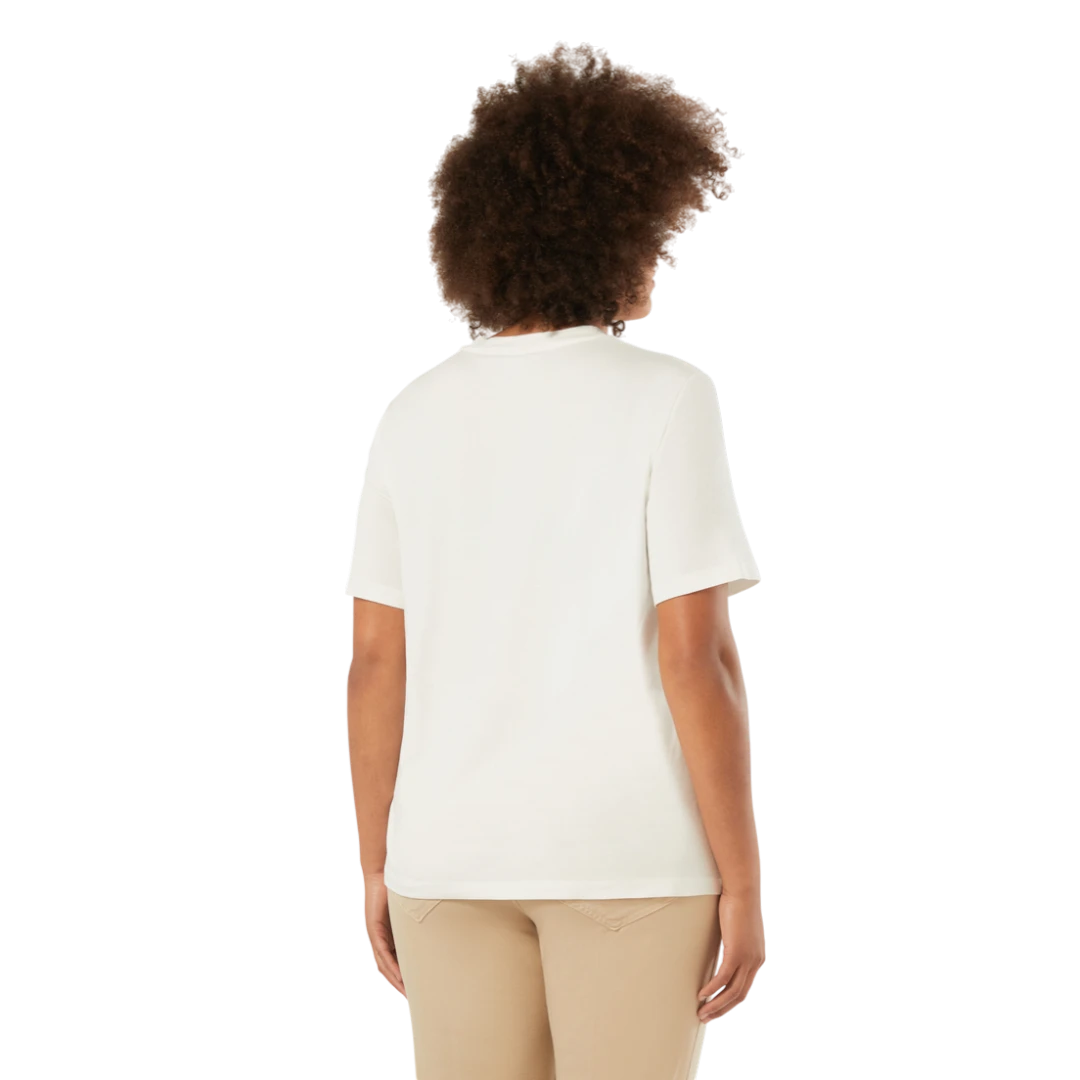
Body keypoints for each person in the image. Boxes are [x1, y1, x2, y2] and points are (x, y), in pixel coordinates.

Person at [345, 41, 766, 1080]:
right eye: (661, 240)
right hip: (627, 853)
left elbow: (377, 662)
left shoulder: (410, 415)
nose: (662, 265)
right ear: (616, 233)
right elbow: (696, 657)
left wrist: (378, 863)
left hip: (448, 857)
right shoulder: (667, 400)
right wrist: (744, 880)